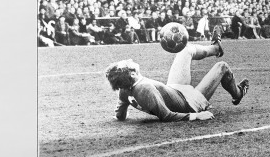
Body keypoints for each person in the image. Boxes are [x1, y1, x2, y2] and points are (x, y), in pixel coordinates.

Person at [105, 35, 249, 123]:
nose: (129, 59)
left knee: (185, 49)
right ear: (131, 74)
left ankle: (216, 48)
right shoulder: (144, 89)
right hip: (189, 103)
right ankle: (238, 94)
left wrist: (122, 115)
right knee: (222, 67)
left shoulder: (124, 91)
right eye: (127, 63)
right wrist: (196, 116)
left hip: (175, 91)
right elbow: (167, 116)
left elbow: (120, 114)